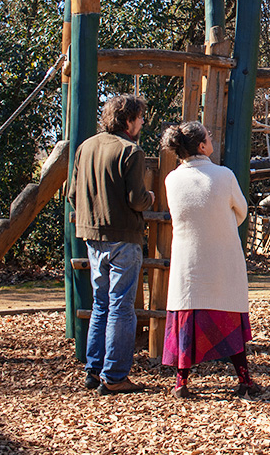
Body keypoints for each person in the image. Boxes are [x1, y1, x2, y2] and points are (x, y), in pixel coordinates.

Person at [159, 121, 259, 399]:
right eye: (209, 136)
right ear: (202, 146)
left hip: (187, 263)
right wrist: (222, 224)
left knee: (187, 323)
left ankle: (181, 382)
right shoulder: (224, 176)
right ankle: (243, 379)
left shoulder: (172, 180)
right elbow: (241, 210)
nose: (212, 137)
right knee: (227, 318)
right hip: (222, 259)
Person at [68, 94, 154, 395]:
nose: (143, 122)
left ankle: (93, 370)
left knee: (101, 304)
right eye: (140, 117)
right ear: (128, 120)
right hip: (123, 238)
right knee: (121, 307)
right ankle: (115, 375)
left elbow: (71, 194)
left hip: (92, 237)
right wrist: (151, 198)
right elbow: (136, 199)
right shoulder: (131, 150)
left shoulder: (85, 147)